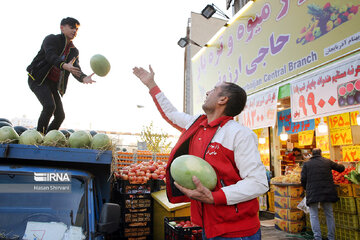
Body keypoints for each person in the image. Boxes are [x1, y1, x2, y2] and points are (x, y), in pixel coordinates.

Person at [133, 65, 269, 239]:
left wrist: (216, 197)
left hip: (236, 231)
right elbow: (171, 113)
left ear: (223, 99)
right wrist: (152, 85)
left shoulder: (239, 134)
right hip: (206, 225)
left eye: (213, 90)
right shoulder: (197, 124)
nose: (207, 93)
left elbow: (258, 183)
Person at [27, 17, 95, 134]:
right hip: (38, 79)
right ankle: (38, 137)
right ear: (62, 28)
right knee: (49, 106)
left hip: (53, 84)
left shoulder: (74, 51)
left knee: (60, 116)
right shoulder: (51, 39)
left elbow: (75, 68)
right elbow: (50, 55)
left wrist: (83, 77)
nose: (74, 31)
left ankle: (48, 138)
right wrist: (63, 65)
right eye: (72, 27)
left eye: (77, 29)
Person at [300, 148, 345, 240]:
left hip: (313, 192)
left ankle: (317, 237)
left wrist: (306, 188)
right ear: (320, 153)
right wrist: (341, 164)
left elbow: (303, 179)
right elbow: (341, 169)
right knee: (329, 214)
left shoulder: (307, 164)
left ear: (312, 154)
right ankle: (331, 237)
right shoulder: (327, 161)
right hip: (327, 192)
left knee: (313, 215)